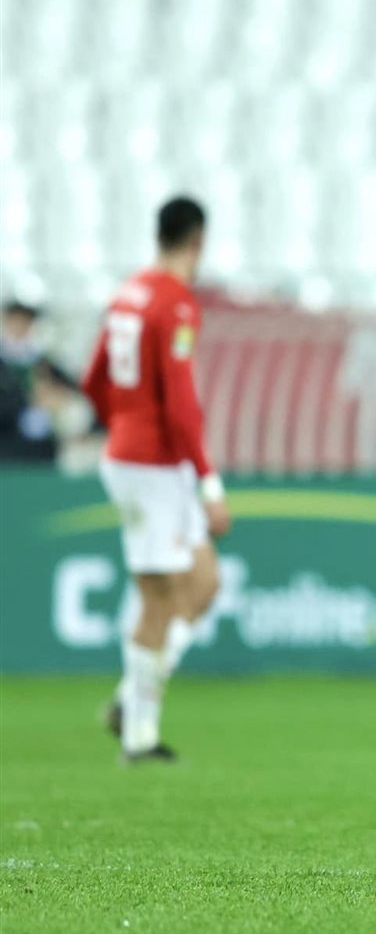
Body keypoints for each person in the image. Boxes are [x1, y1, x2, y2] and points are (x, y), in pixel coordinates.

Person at [81, 197, 231, 763]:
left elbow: (94, 381)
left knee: (204, 583)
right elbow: (180, 403)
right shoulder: (176, 303)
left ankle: (129, 698)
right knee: (159, 597)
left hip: (144, 458)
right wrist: (210, 483)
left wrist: (121, 423)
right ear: (199, 241)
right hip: (152, 466)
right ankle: (139, 737)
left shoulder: (130, 293)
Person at [0, 298, 80, 464]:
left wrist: (58, 397)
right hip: (6, 443)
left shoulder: (42, 361)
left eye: (26, 322)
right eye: (17, 321)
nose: (21, 327)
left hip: (43, 449)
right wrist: (27, 401)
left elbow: (72, 388)